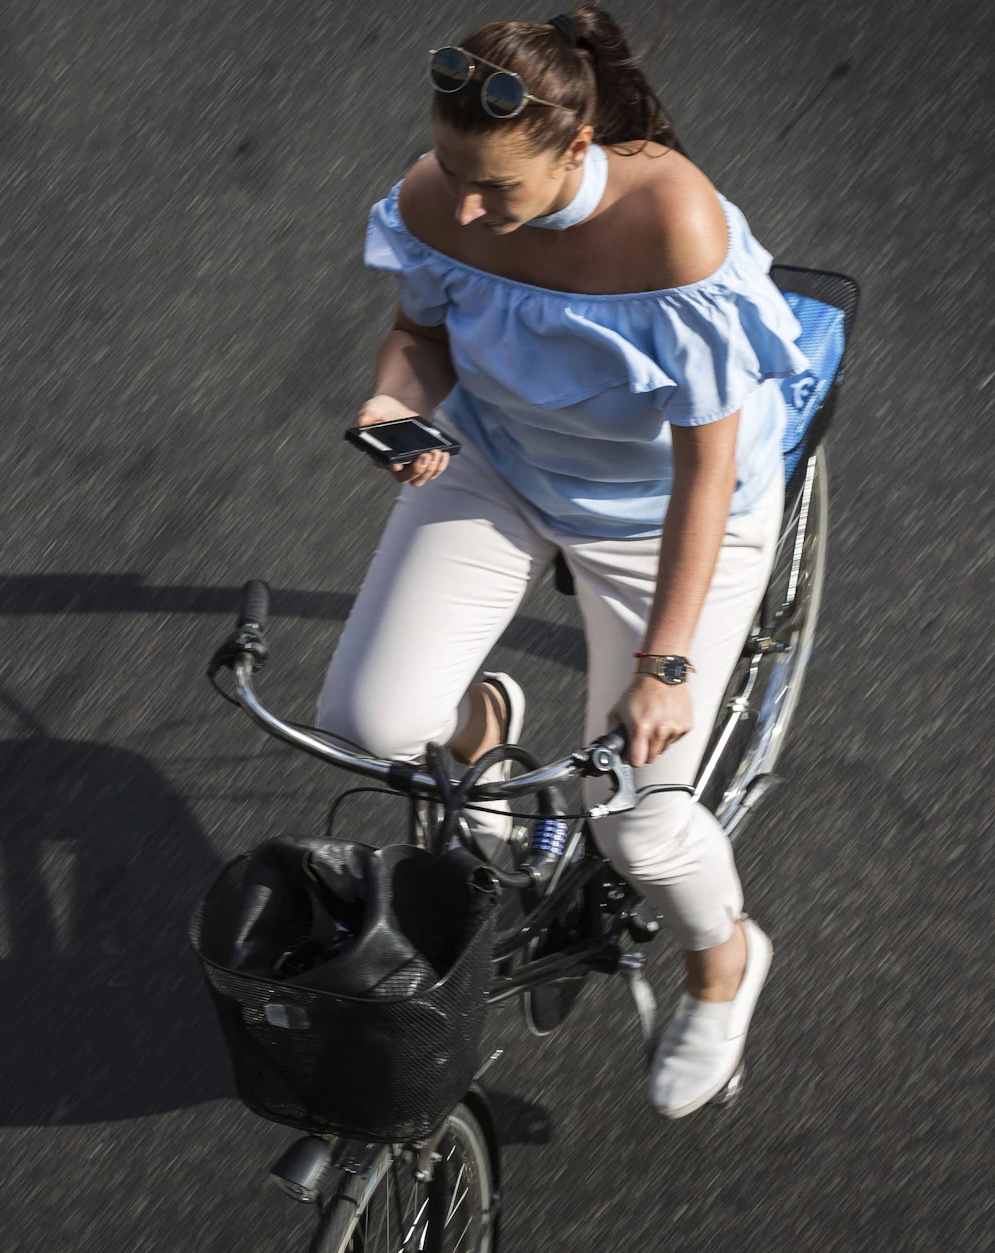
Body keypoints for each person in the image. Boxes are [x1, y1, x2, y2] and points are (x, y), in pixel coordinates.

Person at [315, 5, 810, 1118]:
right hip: (500, 461)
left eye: (498, 188)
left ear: (576, 150)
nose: (469, 209)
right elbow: (421, 335)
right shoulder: (433, 195)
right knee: (369, 721)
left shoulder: (671, 224)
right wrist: (393, 402)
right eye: (453, 173)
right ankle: (478, 731)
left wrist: (666, 667)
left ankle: (722, 957)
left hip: (662, 516)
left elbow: (704, 469)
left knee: (633, 813)